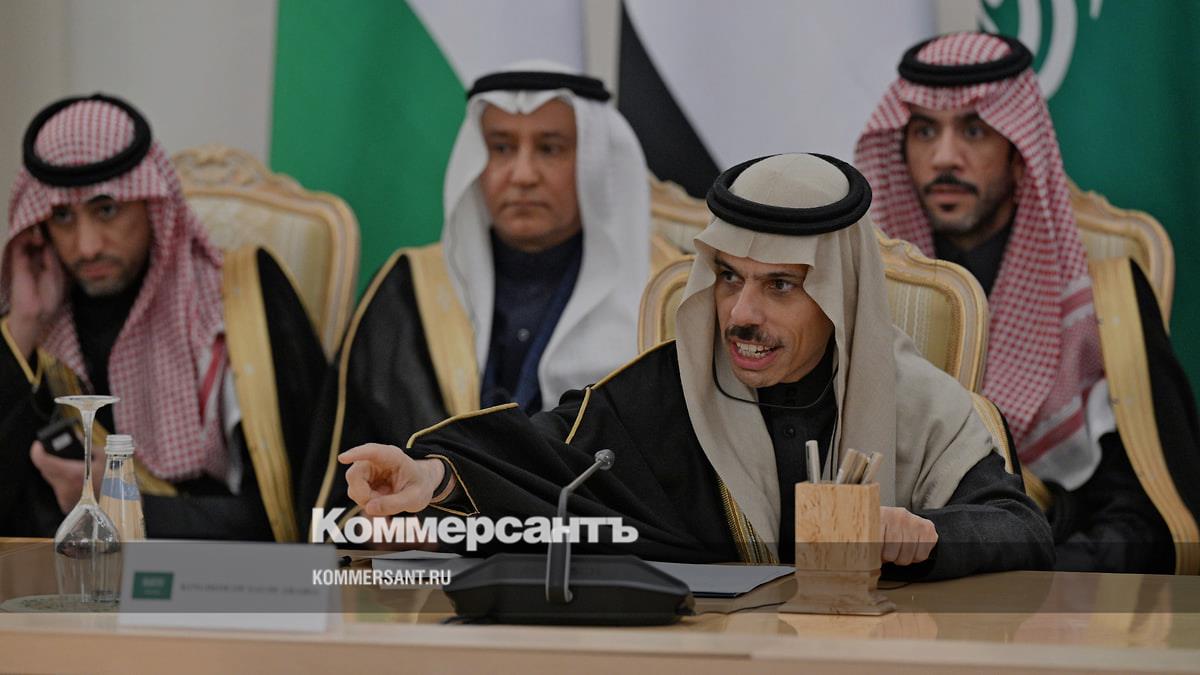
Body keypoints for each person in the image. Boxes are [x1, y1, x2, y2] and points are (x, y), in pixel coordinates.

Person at [336, 153, 1054, 580]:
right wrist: (435, 480)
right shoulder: (664, 393)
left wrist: (924, 535)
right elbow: (540, 460)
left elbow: (1019, 528)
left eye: (780, 286)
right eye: (730, 278)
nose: (741, 313)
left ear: (840, 298)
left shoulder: (919, 404)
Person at [855, 31, 1200, 573]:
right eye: (924, 130)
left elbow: (1143, 517)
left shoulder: (1103, 301)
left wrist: (1038, 584)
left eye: (974, 130)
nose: (944, 157)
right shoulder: (871, 288)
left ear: (1020, 151)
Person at [299, 62, 654, 524]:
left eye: (550, 148)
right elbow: (342, 479)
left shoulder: (660, 296)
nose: (522, 174)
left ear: (594, 162)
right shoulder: (411, 286)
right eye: (501, 147)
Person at [0, 94, 324, 541]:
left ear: (153, 204)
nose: (87, 246)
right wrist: (24, 326)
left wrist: (123, 503)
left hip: (219, 575)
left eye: (107, 209)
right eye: (62, 217)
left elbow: (294, 514)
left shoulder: (240, 304)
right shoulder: (40, 328)